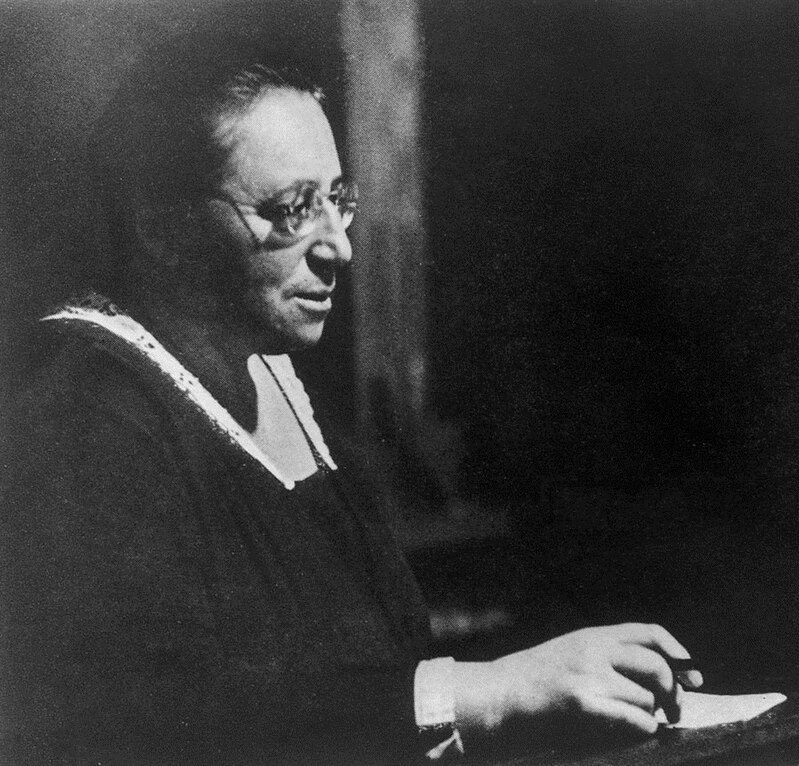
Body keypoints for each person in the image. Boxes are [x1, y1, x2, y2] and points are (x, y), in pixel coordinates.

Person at [1, 34, 702, 765]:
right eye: (292, 209)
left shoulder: (280, 384)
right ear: (163, 229)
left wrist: (547, 684)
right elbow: (153, 724)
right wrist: (490, 693)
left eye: (337, 200)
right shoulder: (82, 417)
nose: (339, 247)